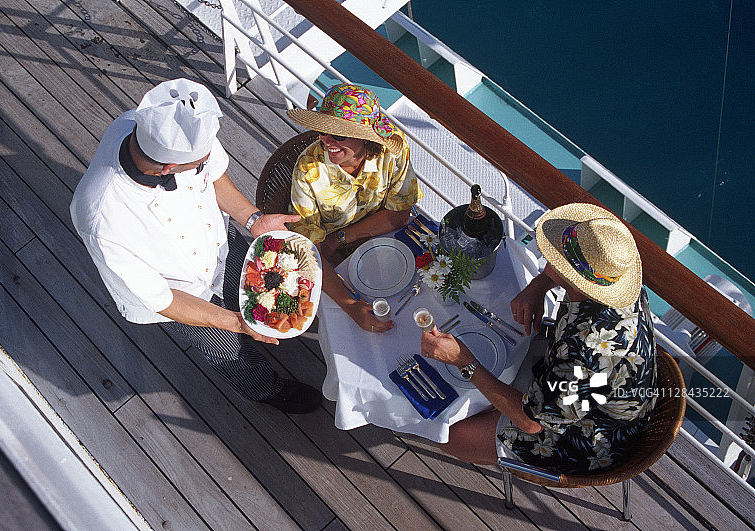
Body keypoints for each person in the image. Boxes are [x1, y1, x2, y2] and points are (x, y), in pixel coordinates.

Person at [70, 78, 321, 414]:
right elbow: (162, 298)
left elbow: (213, 173)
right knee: (230, 353)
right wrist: (235, 322)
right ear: (168, 167)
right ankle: (269, 391)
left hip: (222, 248)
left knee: (263, 295)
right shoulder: (102, 219)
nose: (206, 162)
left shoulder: (150, 125)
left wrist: (253, 219)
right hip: (183, 295)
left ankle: (253, 322)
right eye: (197, 163)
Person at [421, 203, 658, 474]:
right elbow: (572, 273)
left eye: (556, 257)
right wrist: (539, 285)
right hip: (590, 392)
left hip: (588, 437)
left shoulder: (585, 353)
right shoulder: (617, 283)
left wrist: (463, 360)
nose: (549, 257)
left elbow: (531, 422)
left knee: (447, 435)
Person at [286, 83, 423, 333]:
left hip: (381, 237)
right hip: (331, 254)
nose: (325, 141)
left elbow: (400, 216)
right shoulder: (307, 169)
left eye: (338, 135)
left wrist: (339, 238)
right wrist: (350, 306)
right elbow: (309, 249)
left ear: (365, 137)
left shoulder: (394, 150)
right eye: (322, 130)